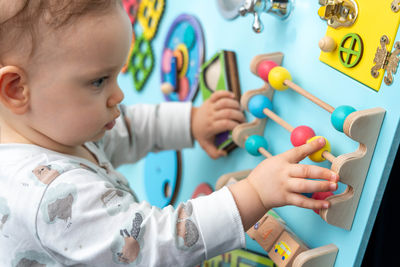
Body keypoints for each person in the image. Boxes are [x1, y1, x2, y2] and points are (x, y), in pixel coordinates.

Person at [0, 0, 339, 266]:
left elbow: (124, 129)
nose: (118, 96)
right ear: (16, 89)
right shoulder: (48, 197)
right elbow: (153, 245)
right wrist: (255, 194)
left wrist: (189, 123)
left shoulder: (48, 123)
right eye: (99, 81)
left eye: (117, 75)